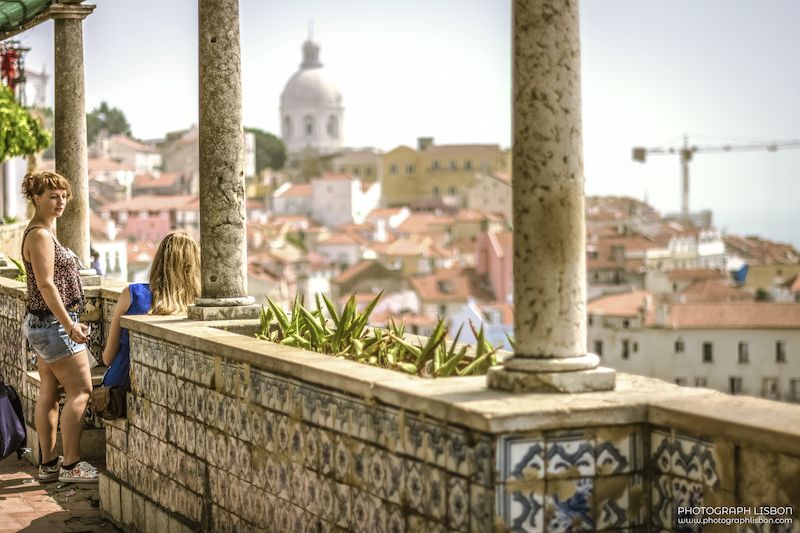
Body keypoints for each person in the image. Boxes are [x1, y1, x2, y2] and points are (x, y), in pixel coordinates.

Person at [20, 171, 98, 484]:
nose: (60, 201)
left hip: (42, 323)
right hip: (53, 324)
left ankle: (49, 463)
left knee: (50, 392)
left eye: (63, 195)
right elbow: (46, 284)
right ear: (36, 199)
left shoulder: (43, 232)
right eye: (53, 196)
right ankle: (72, 465)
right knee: (81, 390)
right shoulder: (39, 234)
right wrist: (70, 325)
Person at [101, 231, 200, 390]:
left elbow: (108, 358)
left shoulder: (133, 295)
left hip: (122, 387)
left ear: (159, 261)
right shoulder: (198, 306)